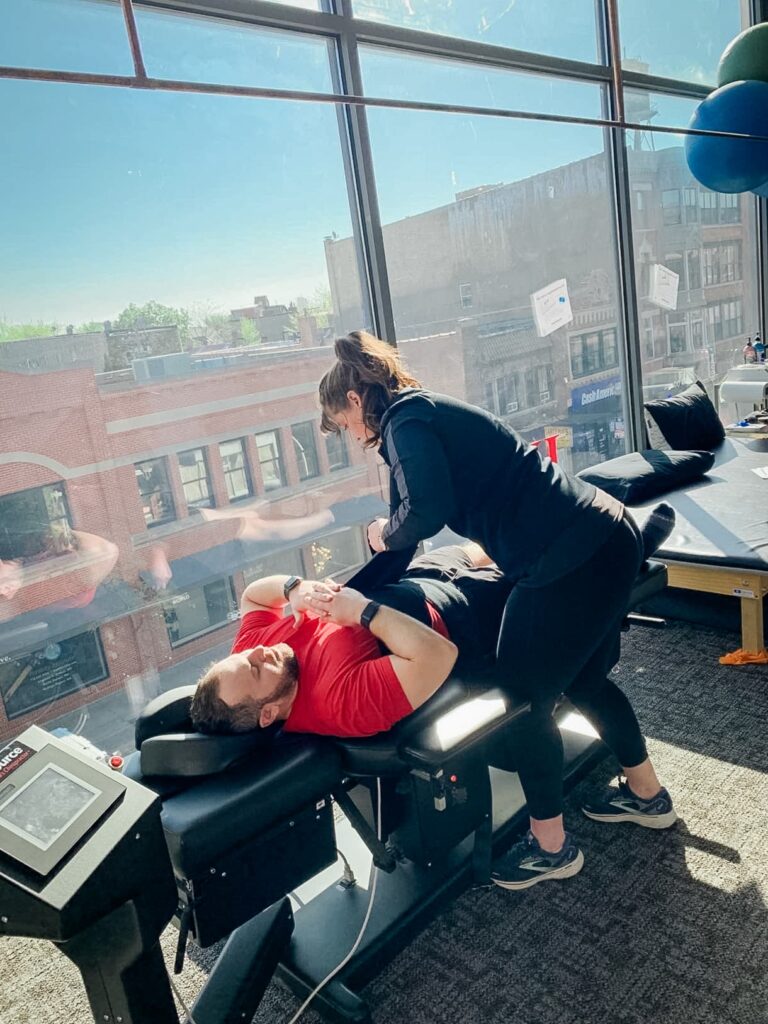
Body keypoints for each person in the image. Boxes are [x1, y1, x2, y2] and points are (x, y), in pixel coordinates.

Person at [318, 331, 677, 892]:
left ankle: (551, 848)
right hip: (604, 533)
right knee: (583, 678)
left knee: (522, 699)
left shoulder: (405, 423)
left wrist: (380, 536)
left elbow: (421, 514)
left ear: (356, 401)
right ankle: (647, 795)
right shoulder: (423, 415)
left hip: (568, 557)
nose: (352, 436)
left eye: (343, 425)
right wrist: (366, 582)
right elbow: (411, 518)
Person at [190, 544, 512, 739]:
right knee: (537, 555)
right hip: (462, 612)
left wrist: (293, 588)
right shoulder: (338, 704)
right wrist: (361, 611)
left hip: (412, 579)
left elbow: (253, 599)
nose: (258, 652)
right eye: (256, 669)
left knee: (495, 532)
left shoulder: (248, 656)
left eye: (246, 655)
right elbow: (439, 656)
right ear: (268, 714)